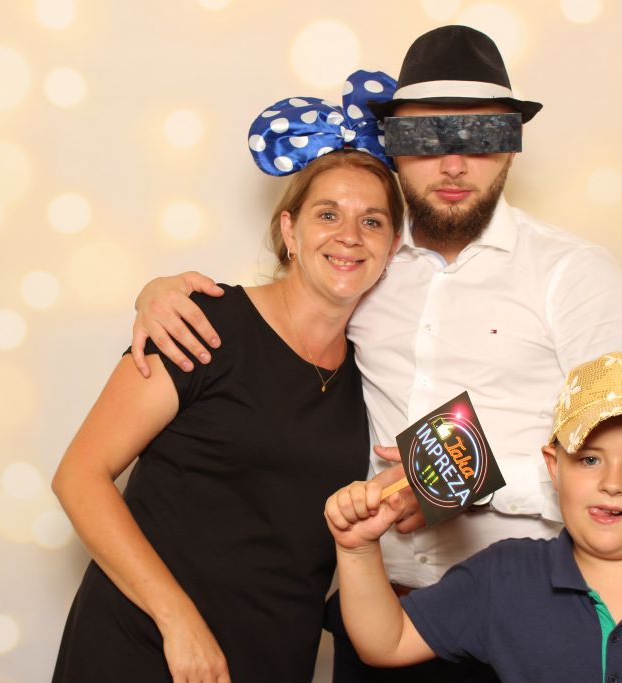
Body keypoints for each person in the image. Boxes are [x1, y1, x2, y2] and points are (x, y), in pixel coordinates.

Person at [129, 26, 622, 680]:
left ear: (512, 147)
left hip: (525, 626)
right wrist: (159, 292)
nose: (454, 164)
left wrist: (464, 481)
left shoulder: (575, 277)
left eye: (482, 135)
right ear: (394, 147)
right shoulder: (362, 262)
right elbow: (276, 327)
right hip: (374, 617)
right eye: (427, 137)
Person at [50, 72, 408, 683]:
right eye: (328, 214)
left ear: (393, 245)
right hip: (148, 649)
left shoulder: (371, 376)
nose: (349, 236)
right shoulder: (203, 323)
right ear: (290, 231)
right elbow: (79, 477)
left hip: (272, 660)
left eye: (372, 222)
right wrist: (177, 620)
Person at [325, 351, 622, 682]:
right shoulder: (505, 575)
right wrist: (358, 548)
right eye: (589, 459)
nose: (613, 483)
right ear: (554, 467)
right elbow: (387, 642)